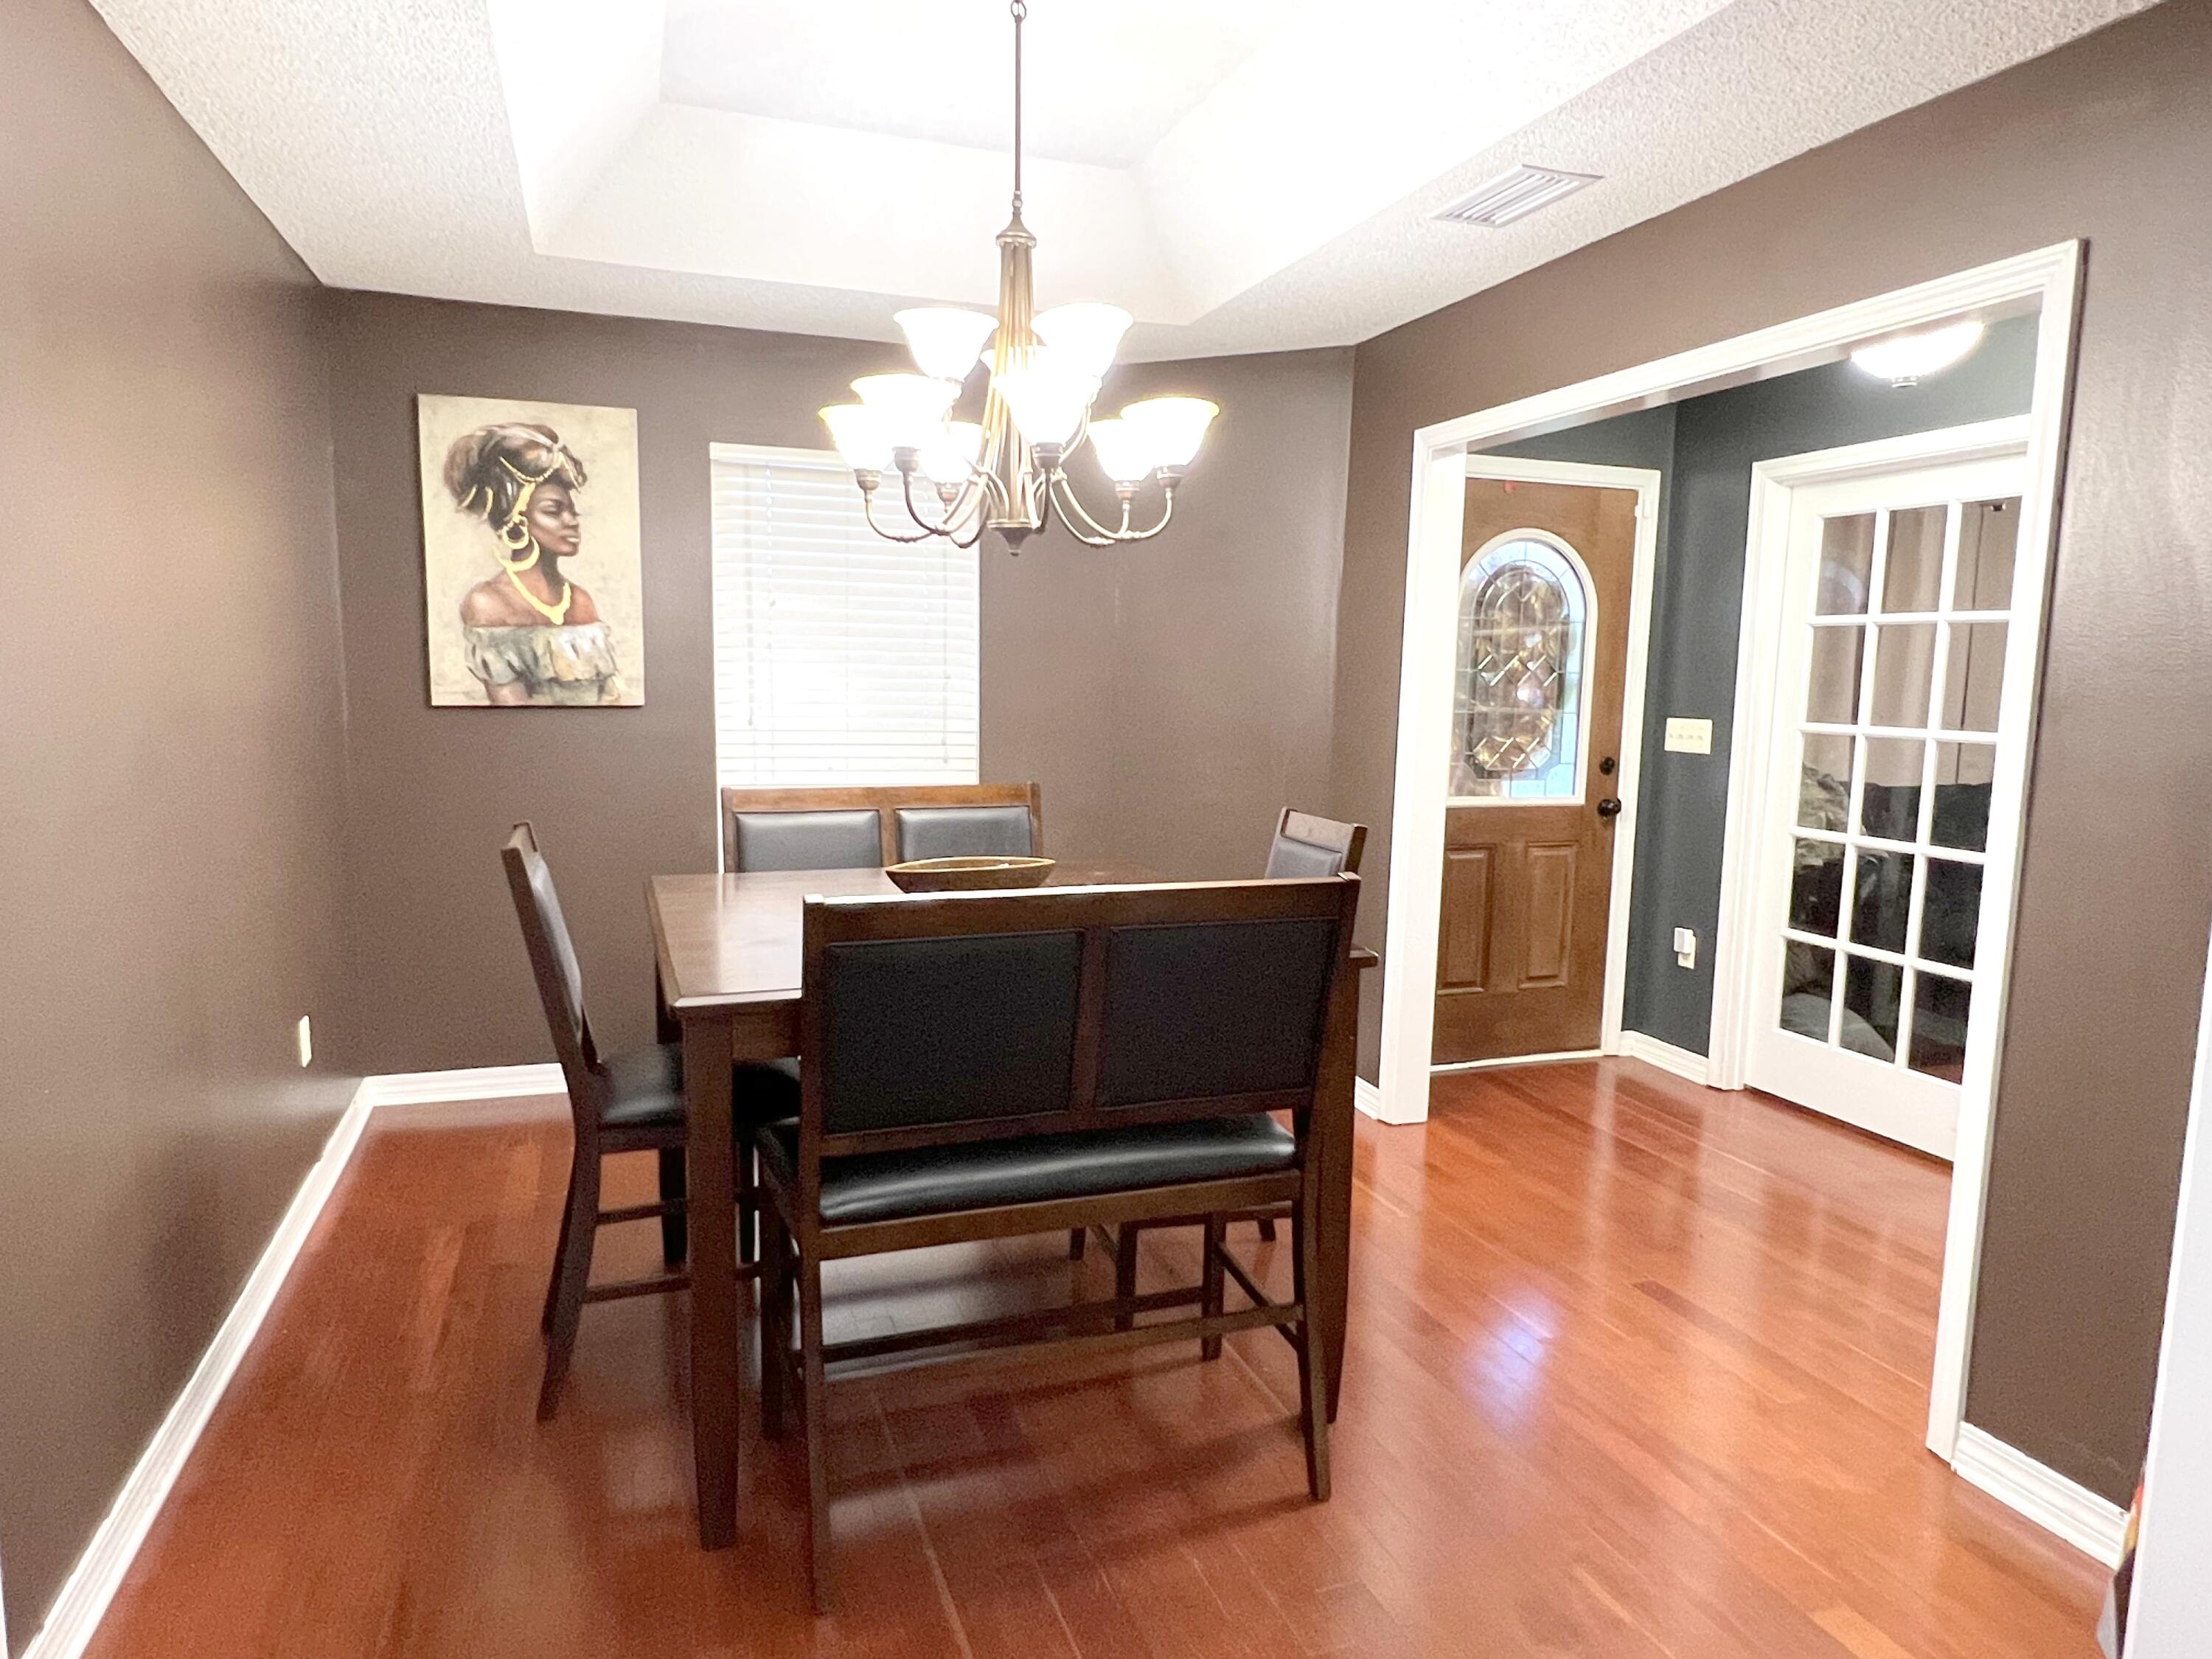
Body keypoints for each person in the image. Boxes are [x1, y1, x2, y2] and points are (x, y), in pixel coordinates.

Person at [444, 422, 624, 705]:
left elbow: (613, 705)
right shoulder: (487, 602)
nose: (572, 522)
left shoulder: (581, 601)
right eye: (554, 511)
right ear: (516, 518)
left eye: (573, 511)